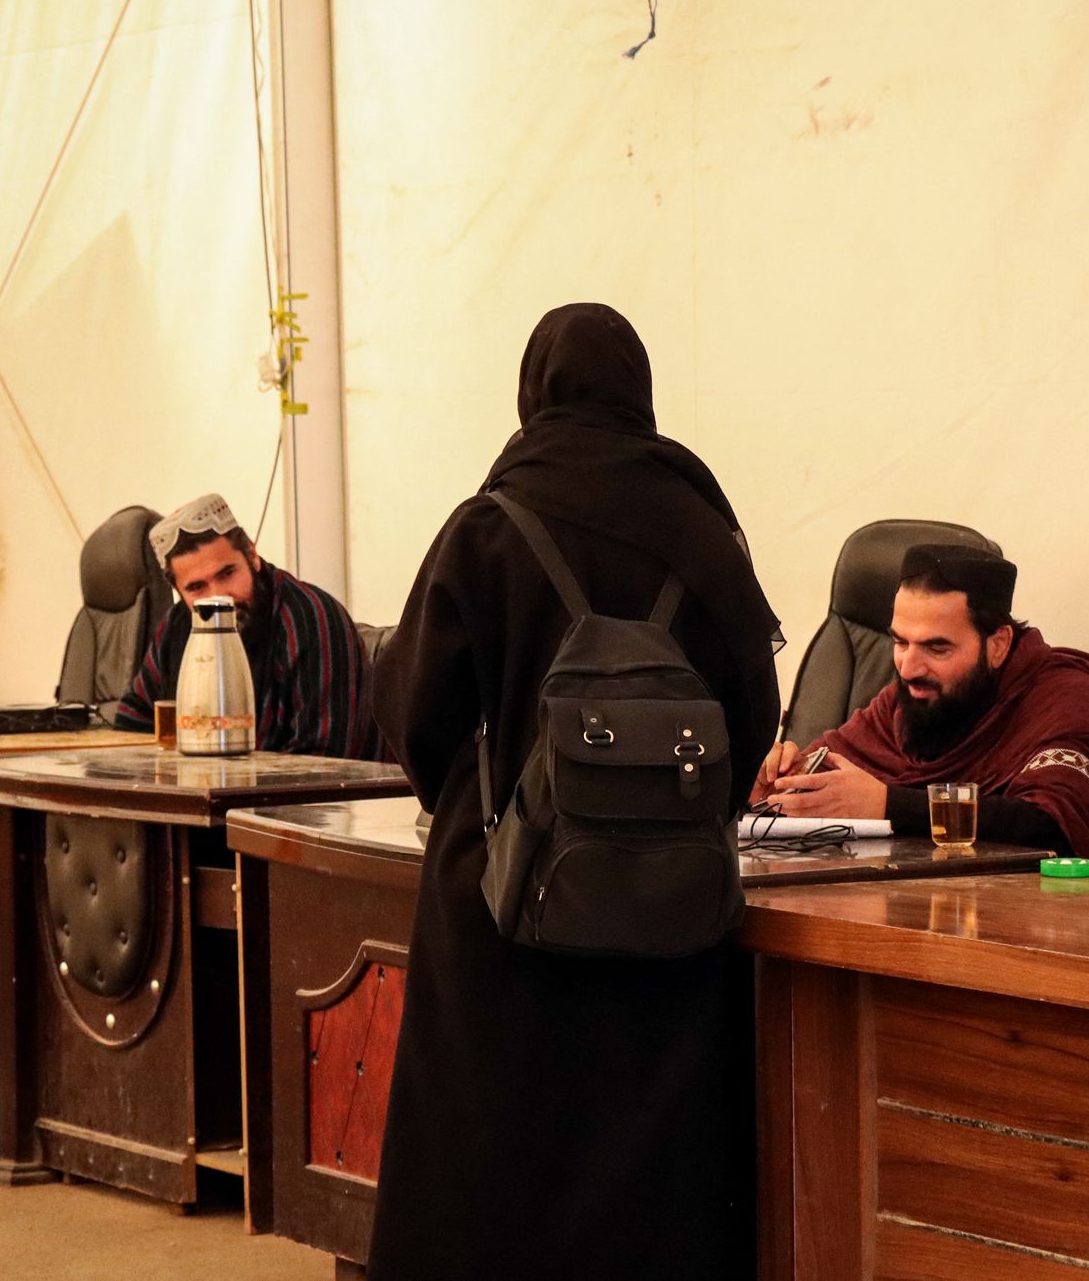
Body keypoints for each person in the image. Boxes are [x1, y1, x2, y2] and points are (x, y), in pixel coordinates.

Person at [367, 304, 782, 1280]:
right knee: (653, 1181)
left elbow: (413, 708)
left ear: (532, 390)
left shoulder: (489, 524)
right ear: (638, 393)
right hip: (668, 913)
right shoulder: (701, 527)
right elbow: (752, 712)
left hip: (499, 909)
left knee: (488, 1170)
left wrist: (481, 799)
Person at [756, 543, 1089, 871]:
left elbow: (1055, 821)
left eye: (936, 648)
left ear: (998, 645)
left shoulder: (1065, 695)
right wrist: (779, 784)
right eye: (900, 642)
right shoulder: (909, 700)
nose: (908, 667)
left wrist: (889, 805)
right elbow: (832, 771)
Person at [114, 493, 378, 759]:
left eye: (227, 574)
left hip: (293, 799)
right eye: (196, 587)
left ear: (252, 555)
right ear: (178, 591)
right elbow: (133, 721)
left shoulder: (312, 619)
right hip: (205, 795)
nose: (217, 597)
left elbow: (324, 764)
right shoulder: (179, 624)